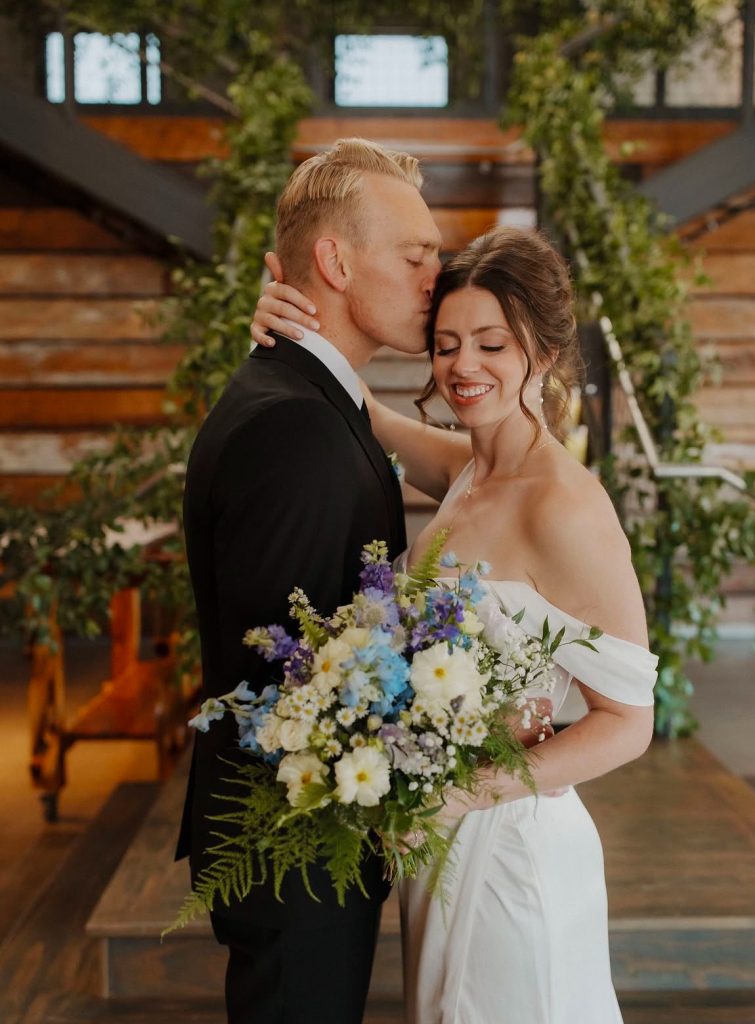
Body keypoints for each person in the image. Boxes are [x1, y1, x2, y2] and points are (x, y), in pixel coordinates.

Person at [251, 225, 658, 1023]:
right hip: (442, 846)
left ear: (540, 352)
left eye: (489, 344)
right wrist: (284, 323)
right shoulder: (469, 466)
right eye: (444, 345)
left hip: (511, 849)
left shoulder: (563, 505)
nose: (462, 367)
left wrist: (464, 793)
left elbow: (629, 724)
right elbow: (355, 406)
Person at [177, 137, 442, 1024]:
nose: (434, 276)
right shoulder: (290, 426)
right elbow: (280, 680)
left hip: (309, 835)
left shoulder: (311, 401)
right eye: (415, 255)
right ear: (332, 260)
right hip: (293, 840)